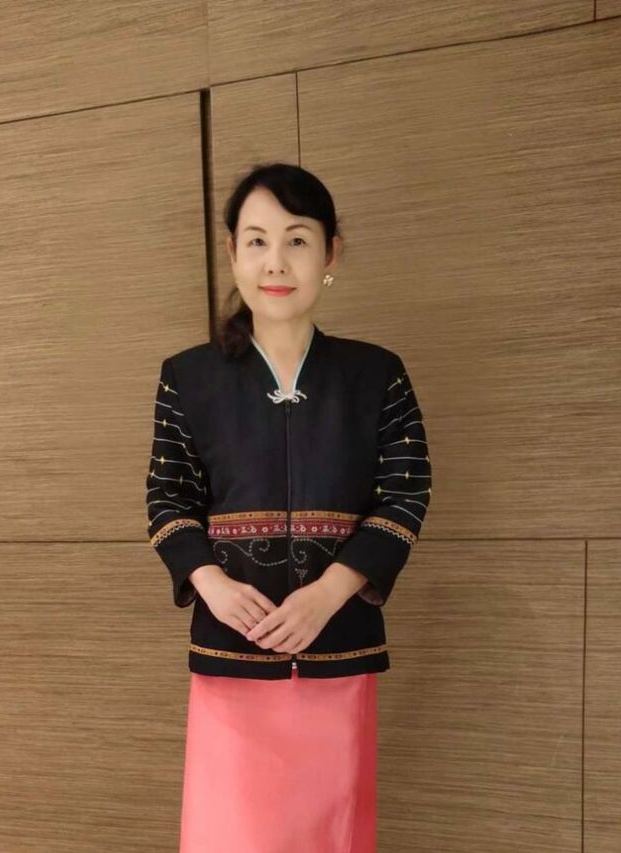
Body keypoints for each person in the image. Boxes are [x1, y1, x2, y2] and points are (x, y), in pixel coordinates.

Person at [145, 162, 432, 852]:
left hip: (339, 645)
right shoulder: (188, 377)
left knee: (329, 832)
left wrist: (329, 592)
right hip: (231, 648)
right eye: (257, 241)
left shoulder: (376, 373)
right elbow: (168, 494)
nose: (275, 261)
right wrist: (213, 584)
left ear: (331, 252)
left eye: (297, 240)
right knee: (231, 833)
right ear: (232, 252)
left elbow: (407, 490)